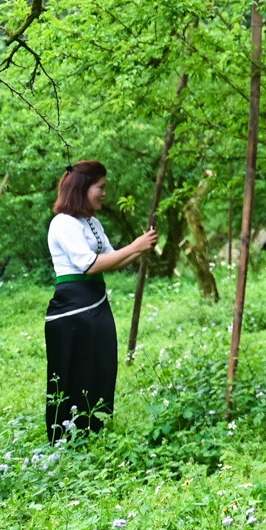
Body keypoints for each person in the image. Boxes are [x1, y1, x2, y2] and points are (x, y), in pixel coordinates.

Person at [45, 161, 157, 443]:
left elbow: (112, 259)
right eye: (101, 187)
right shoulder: (63, 223)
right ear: (83, 188)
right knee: (74, 373)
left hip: (96, 306)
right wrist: (135, 247)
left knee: (100, 366)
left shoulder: (91, 223)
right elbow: (88, 265)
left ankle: (93, 431)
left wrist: (141, 248)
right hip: (72, 311)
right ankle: (65, 438)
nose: (104, 193)